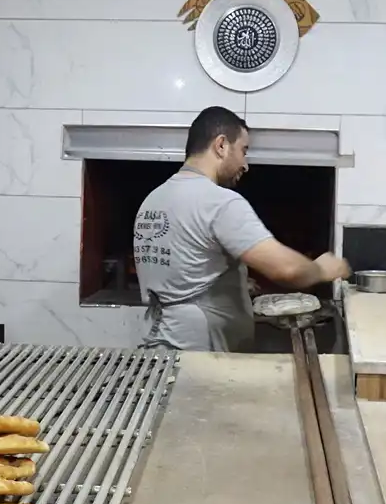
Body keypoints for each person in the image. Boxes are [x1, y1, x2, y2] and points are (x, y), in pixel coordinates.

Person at [133, 106, 350, 352]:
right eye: (243, 151)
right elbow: (287, 270)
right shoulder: (218, 201)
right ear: (221, 145)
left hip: (159, 344)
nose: (245, 164)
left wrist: (232, 282)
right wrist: (321, 269)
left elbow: (181, 268)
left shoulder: (153, 199)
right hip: (198, 356)